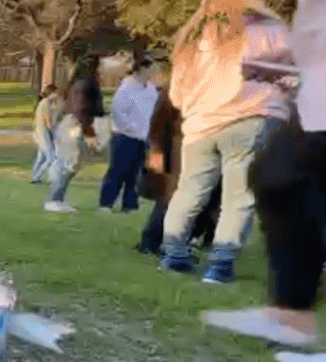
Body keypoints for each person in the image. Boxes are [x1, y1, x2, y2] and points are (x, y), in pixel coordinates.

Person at [202, 0, 326, 362]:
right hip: (318, 80)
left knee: (283, 176)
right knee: (277, 176)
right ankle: (290, 316)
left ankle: (290, 315)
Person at [158, 0, 292, 284]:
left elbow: (177, 96)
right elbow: (301, 72)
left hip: (200, 124)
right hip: (251, 118)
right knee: (238, 195)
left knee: (190, 191)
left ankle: (173, 254)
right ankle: (220, 264)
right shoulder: (270, 32)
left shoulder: (191, 42)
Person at [136, 88, 221, 255]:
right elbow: (157, 125)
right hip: (176, 152)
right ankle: (153, 242)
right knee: (170, 200)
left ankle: (175, 243)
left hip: (195, 150)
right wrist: (156, 153)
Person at [99, 57, 159, 212]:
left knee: (136, 173)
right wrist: (129, 128)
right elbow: (118, 113)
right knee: (118, 171)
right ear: (142, 69)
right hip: (124, 136)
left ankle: (130, 204)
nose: (154, 72)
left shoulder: (151, 89)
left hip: (143, 137)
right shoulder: (127, 88)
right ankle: (106, 203)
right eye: (152, 68)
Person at [45, 55, 104, 212]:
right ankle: (55, 199)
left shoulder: (78, 83)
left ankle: (58, 197)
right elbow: (81, 109)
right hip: (74, 124)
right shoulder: (84, 84)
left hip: (71, 122)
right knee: (68, 163)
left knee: (71, 162)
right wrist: (89, 132)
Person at [30, 85, 60, 184]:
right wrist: (54, 130)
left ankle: (36, 176)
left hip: (38, 132)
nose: (57, 95)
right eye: (55, 93)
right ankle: (39, 175)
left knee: (41, 157)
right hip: (43, 132)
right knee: (51, 157)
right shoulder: (46, 103)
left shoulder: (43, 102)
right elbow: (47, 120)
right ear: (51, 93)